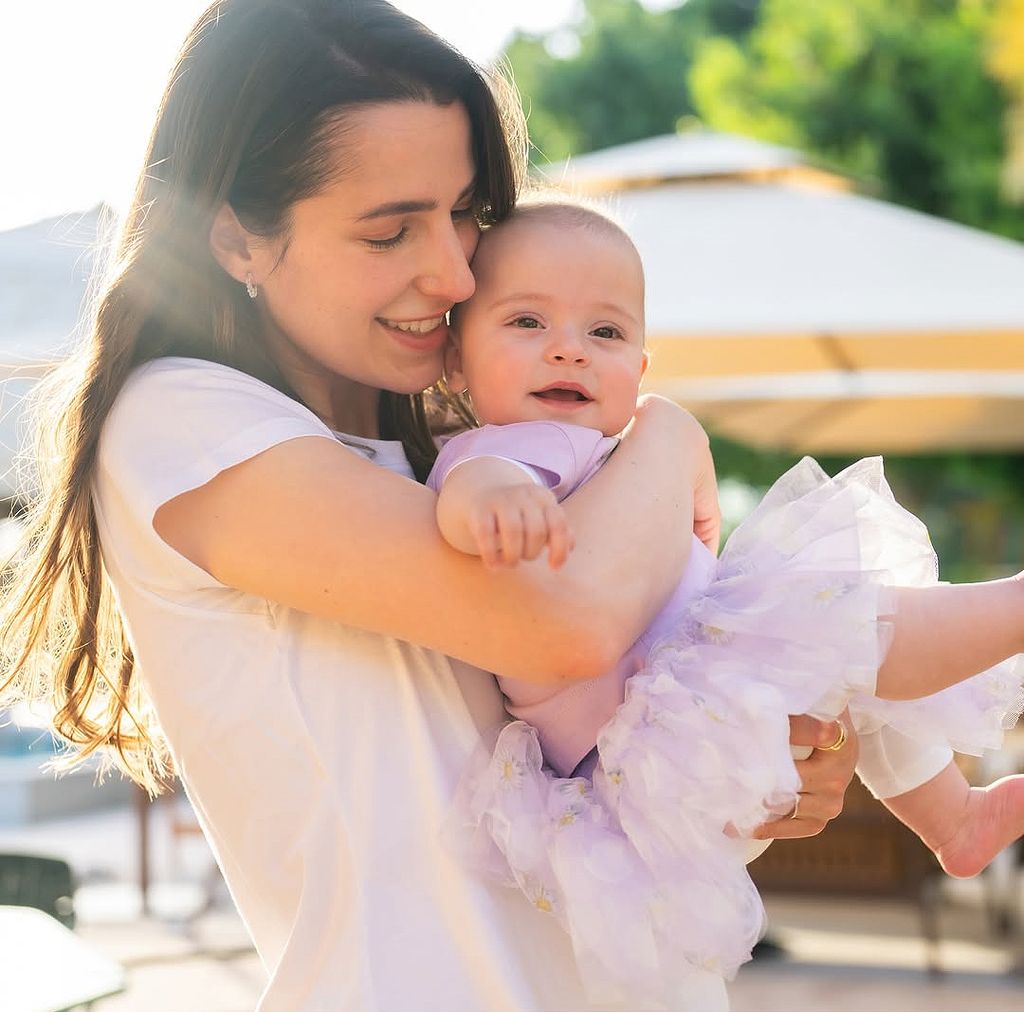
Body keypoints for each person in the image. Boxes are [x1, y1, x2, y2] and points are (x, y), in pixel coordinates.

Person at [0, 3, 861, 1011]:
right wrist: (670, 432)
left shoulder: (461, 455)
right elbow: (566, 622)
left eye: (463, 213)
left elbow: (582, 739)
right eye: (390, 228)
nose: (453, 270)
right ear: (236, 235)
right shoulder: (186, 424)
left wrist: (758, 757)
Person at [428, 196, 1024, 1006]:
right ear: (457, 362)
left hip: (682, 709)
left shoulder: (622, 448)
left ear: (640, 370)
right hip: (655, 718)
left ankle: (955, 820)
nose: (568, 351)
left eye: (605, 333)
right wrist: (498, 501)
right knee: (861, 626)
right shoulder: (499, 452)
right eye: (527, 322)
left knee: (861, 668)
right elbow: (468, 487)